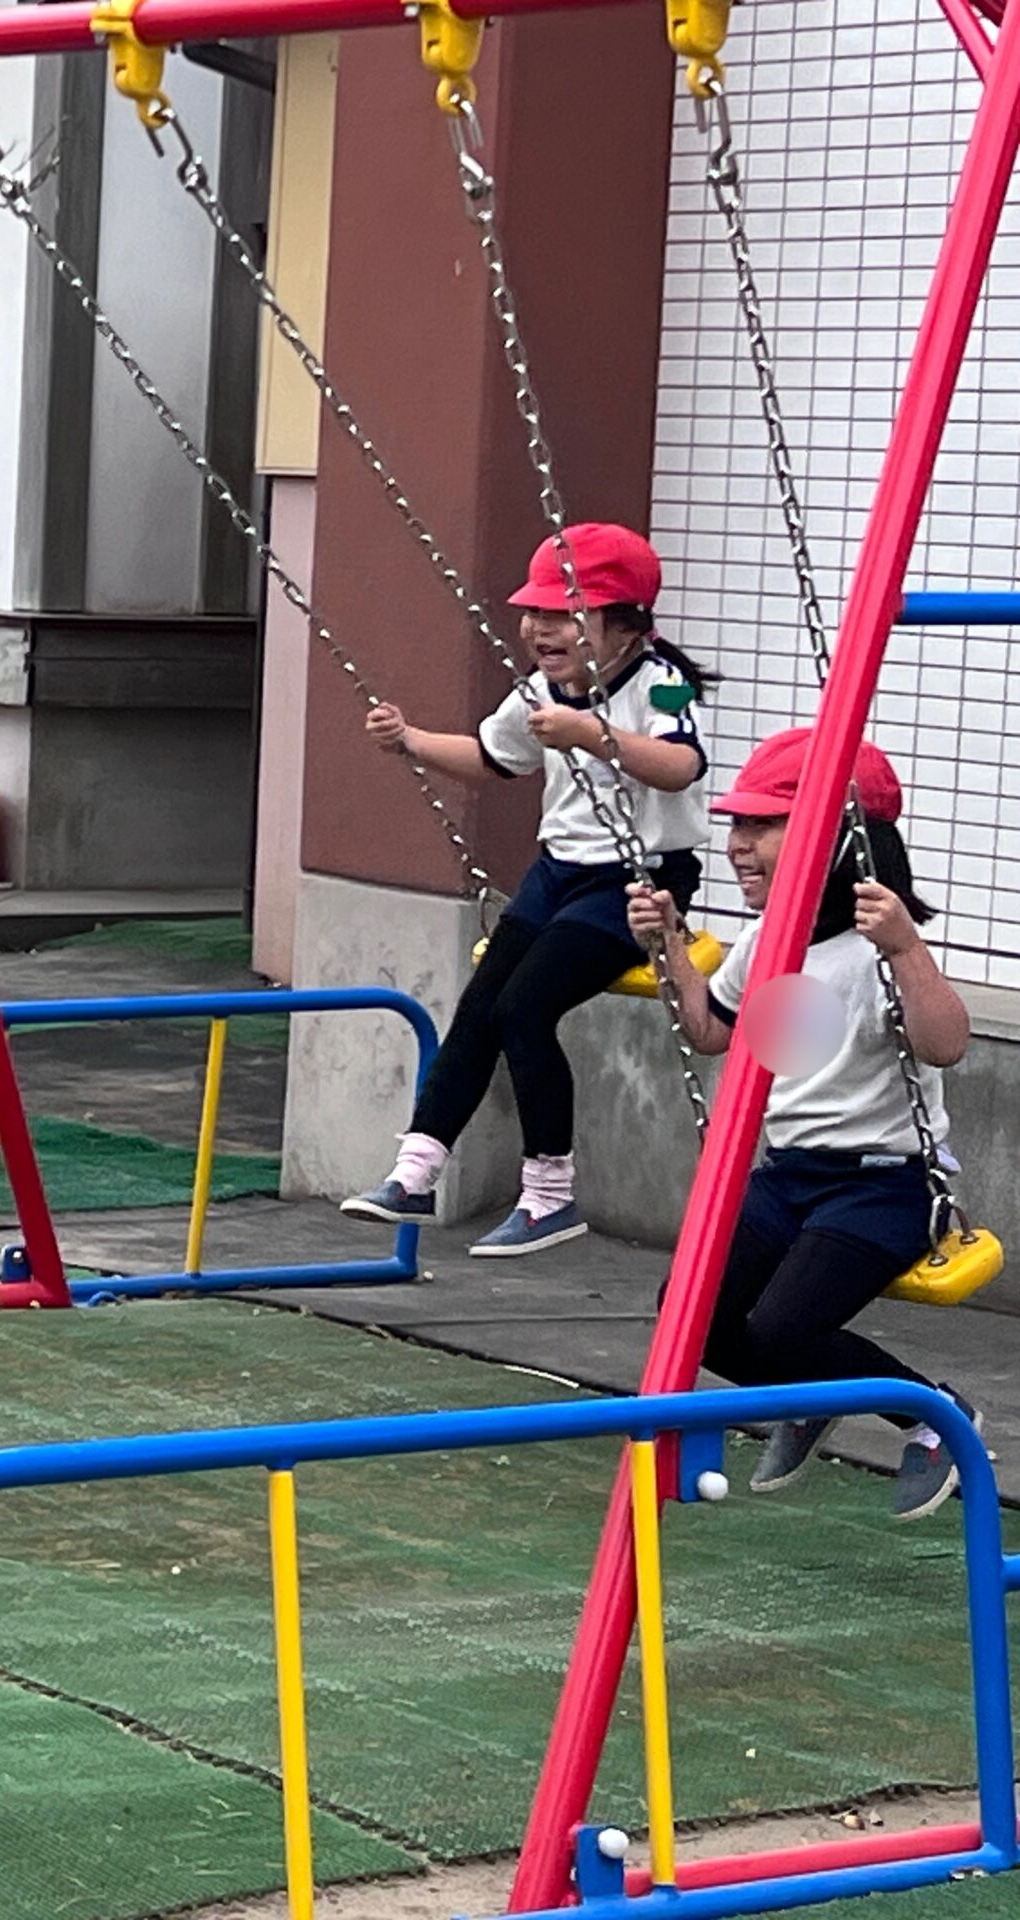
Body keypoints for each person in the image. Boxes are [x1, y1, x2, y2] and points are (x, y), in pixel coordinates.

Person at [631, 728, 977, 1521]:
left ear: (839, 837)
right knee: (689, 1313)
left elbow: (947, 1044)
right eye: (736, 825)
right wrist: (669, 946)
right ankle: (811, 1397)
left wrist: (906, 947)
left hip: (885, 1184)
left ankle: (934, 1417)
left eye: (762, 826)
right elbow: (711, 1031)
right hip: (789, 1175)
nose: (737, 845)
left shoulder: (875, 949)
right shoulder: (769, 940)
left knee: (784, 1327)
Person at [341, 524, 713, 1255]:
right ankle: (416, 1169)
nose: (540, 629)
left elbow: (681, 766)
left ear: (625, 624)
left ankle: (549, 1195)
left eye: (564, 615)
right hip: (558, 873)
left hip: (638, 882)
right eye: (534, 613)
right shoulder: (542, 690)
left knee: (524, 1009)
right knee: (481, 1006)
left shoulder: (663, 681)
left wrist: (588, 733)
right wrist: (410, 739)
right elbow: (493, 756)